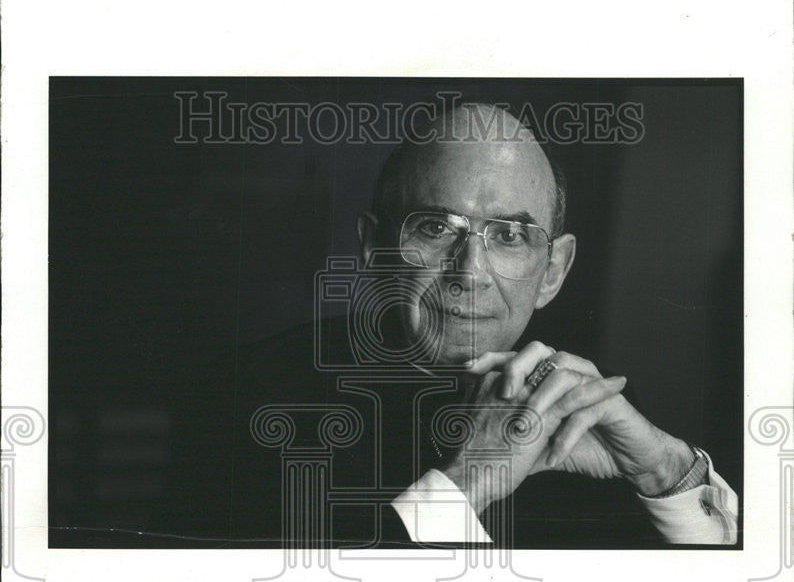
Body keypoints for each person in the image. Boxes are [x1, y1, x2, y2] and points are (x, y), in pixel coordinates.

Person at [156, 103, 738, 549]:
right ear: (374, 246)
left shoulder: (593, 400)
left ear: (552, 270)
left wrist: (664, 474)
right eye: (436, 228)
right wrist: (466, 484)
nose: (471, 272)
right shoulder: (237, 398)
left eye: (510, 236)